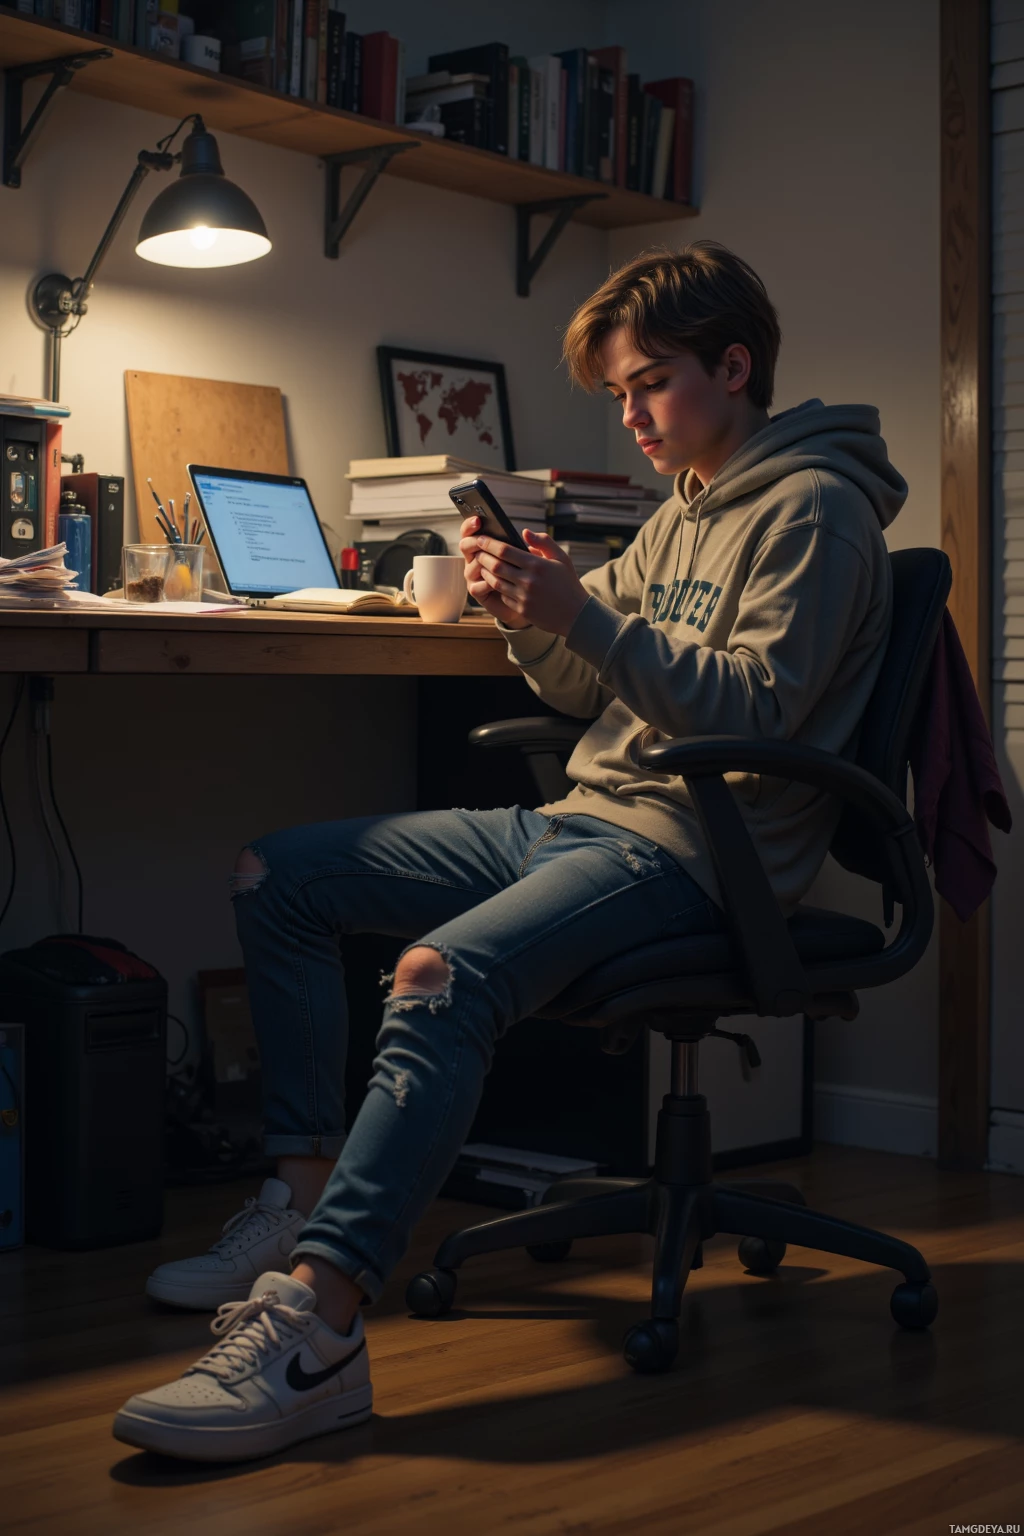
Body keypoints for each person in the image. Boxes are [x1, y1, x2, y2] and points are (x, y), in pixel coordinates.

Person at [113, 240, 906, 1462]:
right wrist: (531, 617)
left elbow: (755, 711)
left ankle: (318, 1334)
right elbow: (590, 689)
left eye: (649, 383)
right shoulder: (684, 508)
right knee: (280, 874)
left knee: (435, 976)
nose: (631, 414)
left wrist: (584, 611)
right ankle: (299, 1204)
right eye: (620, 393)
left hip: (700, 852)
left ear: (734, 366)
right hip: (586, 822)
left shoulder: (816, 509)